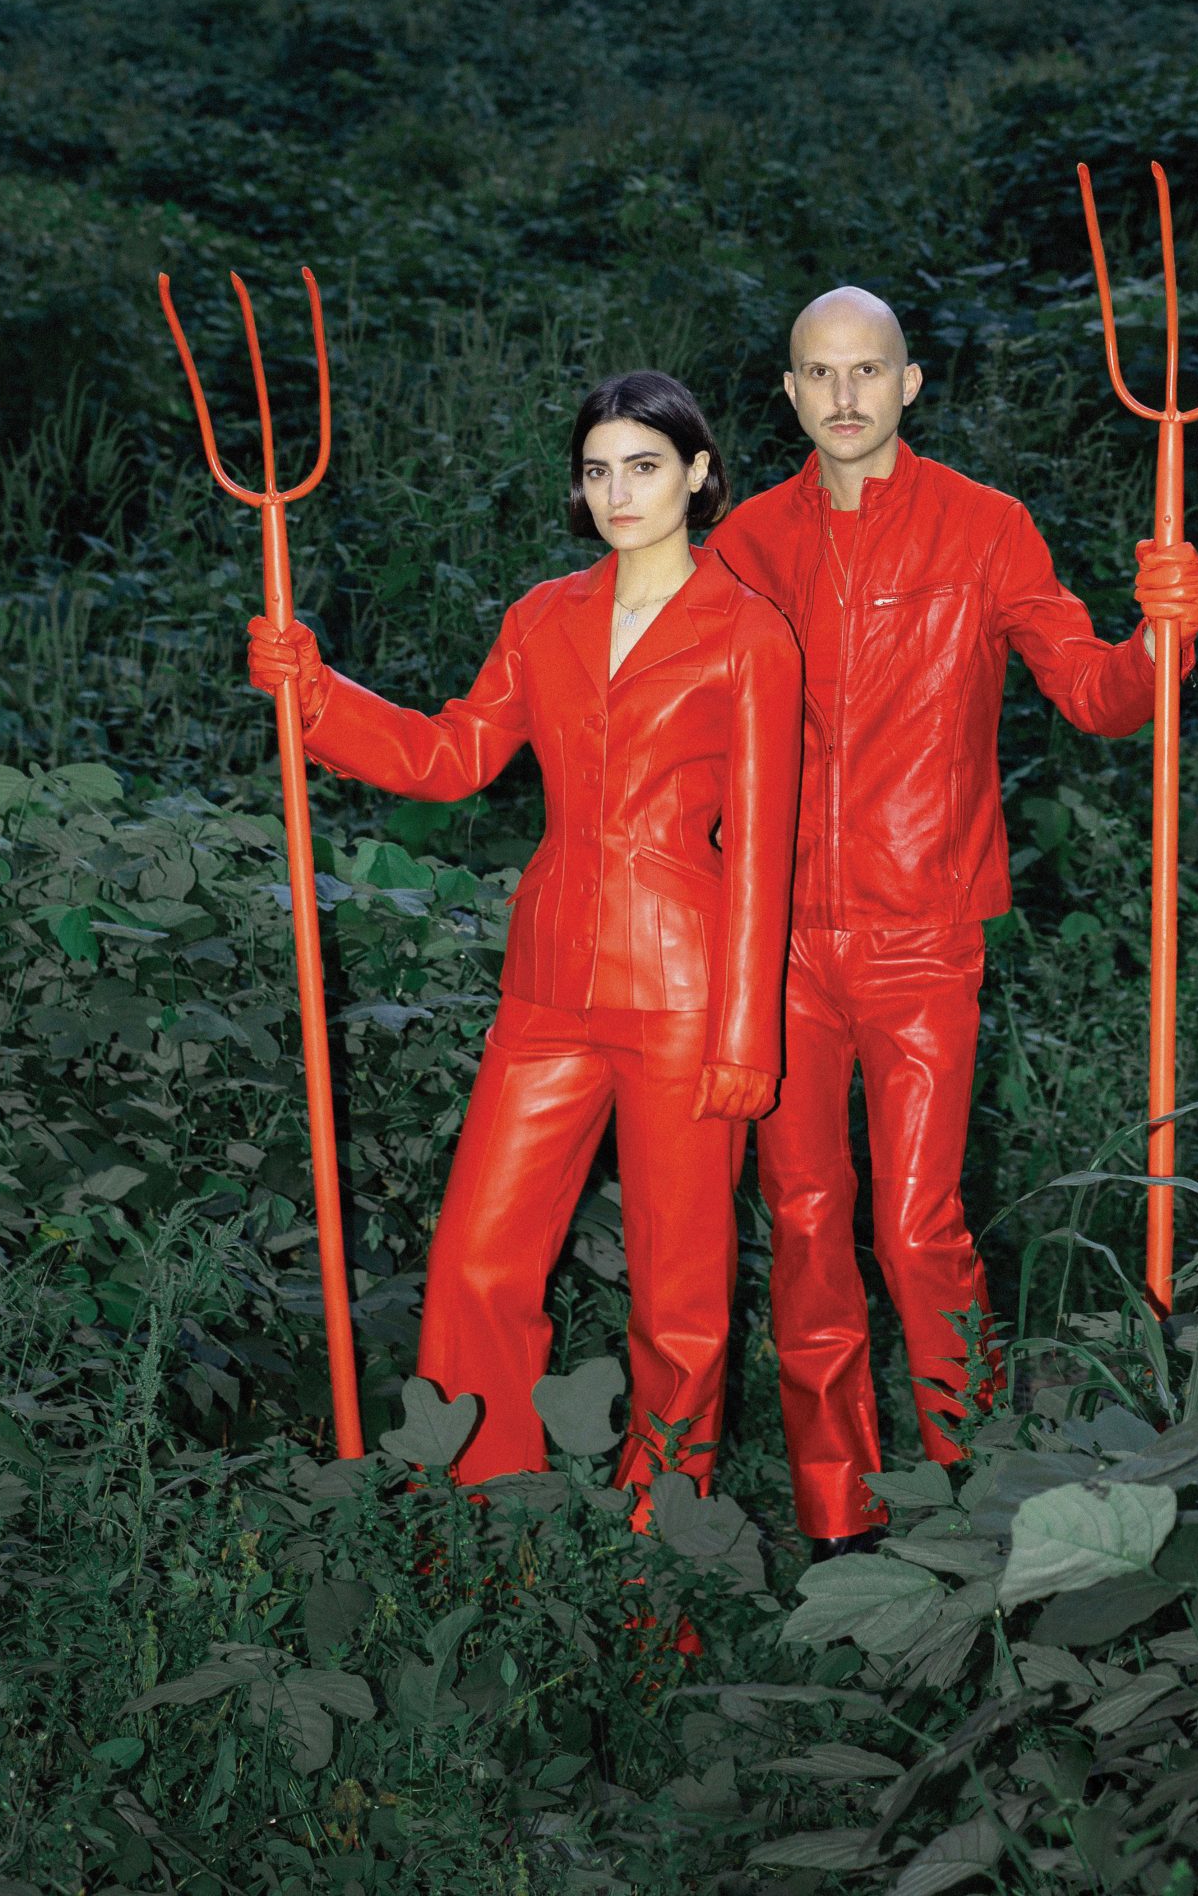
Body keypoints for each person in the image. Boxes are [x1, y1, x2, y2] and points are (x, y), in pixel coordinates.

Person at [707, 286, 1198, 1554]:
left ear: (910, 383)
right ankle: (837, 1510)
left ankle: (972, 1482)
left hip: (925, 929)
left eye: (868, 370)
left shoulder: (986, 527)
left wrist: (1162, 635)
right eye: (820, 373)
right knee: (805, 1223)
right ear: (789, 391)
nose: (845, 395)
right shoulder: (746, 543)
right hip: (776, 942)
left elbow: (1096, 696)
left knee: (916, 1226)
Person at [247, 371, 802, 1518]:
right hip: (547, 985)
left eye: (643, 466)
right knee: (476, 1260)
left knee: (680, 1296)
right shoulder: (544, 616)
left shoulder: (752, 633)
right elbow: (451, 755)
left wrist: (749, 1031)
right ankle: (488, 1518)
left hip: (688, 994)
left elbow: (763, 849)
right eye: (598, 470)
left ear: (699, 474)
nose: (618, 492)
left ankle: (660, 1548)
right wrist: (317, 695)